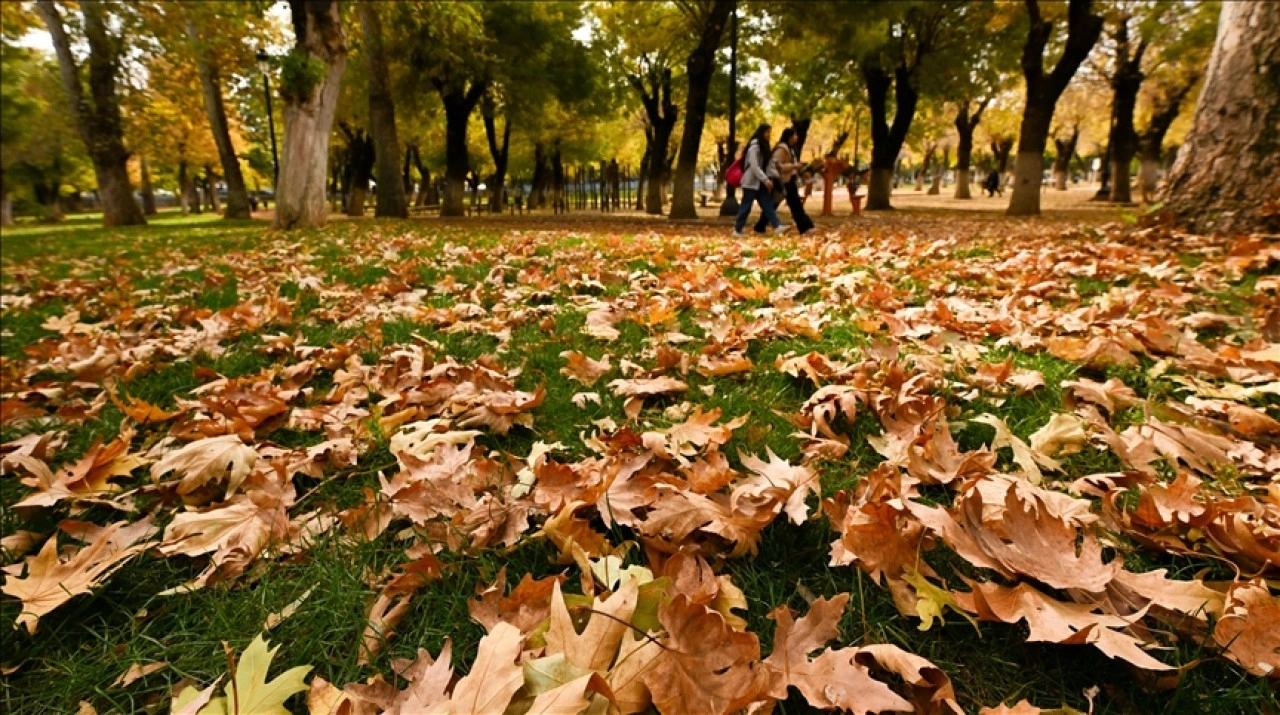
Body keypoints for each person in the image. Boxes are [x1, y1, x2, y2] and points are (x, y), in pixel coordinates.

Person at [733, 123, 790, 238]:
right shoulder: (755, 146)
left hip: (759, 183)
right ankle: (737, 230)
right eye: (767, 132)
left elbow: (766, 164)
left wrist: (768, 178)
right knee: (746, 206)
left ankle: (777, 226)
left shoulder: (763, 146)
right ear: (761, 132)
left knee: (767, 205)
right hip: (751, 182)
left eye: (770, 132)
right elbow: (754, 166)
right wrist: (765, 180)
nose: (769, 135)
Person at [753, 127, 812, 235]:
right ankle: (805, 227)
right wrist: (794, 166)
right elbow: (777, 165)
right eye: (795, 135)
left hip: (789, 180)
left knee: (792, 204)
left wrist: (800, 169)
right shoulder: (782, 149)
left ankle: (806, 226)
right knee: (787, 204)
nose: (796, 137)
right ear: (789, 136)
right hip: (782, 181)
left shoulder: (791, 149)